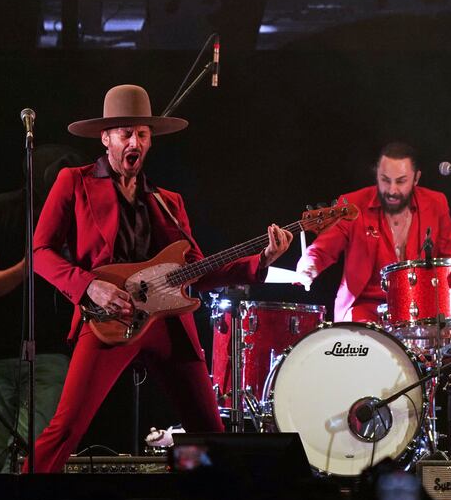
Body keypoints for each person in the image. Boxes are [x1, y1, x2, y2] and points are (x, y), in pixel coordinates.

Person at [28, 84, 292, 473]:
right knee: (66, 428)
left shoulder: (168, 201)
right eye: (125, 133)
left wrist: (261, 260)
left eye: (142, 134)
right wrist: (88, 286)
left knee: (207, 431)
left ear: (150, 141)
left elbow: (199, 272)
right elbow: (40, 253)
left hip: (168, 323)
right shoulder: (75, 181)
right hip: (110, 319)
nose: (134, 141)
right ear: (106, 138)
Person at [0, 144, 87, 472]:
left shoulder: (75, 218)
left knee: (33, 454)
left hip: (49, 353)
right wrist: (28, 267)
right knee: (4, 455)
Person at [296, 142, 451, 323]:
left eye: (401, 181)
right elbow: (324, 247)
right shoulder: (352, 204)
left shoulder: (436, 203)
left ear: (416, 178)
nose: (391, 190)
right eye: (385, 180)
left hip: (420, 312)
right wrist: (310, 263)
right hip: (364, 310)